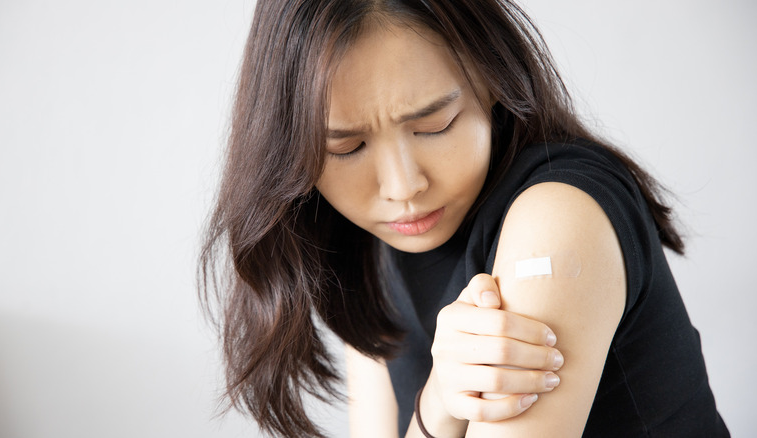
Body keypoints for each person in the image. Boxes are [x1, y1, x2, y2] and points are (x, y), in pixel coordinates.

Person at [199, 0, 729, 436]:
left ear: (492, 76)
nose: (403, 187)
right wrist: (437, 406)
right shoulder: (359, 240)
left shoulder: (558, 219)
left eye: (433, 125)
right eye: (347, 147)